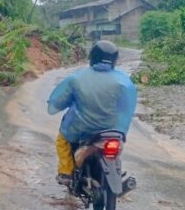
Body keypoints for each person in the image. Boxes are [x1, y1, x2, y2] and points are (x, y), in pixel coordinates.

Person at [47, 40, 138, 185]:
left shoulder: (76, 78)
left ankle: (66, 173)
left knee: (62, 141)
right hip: (111, 130)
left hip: (81, 130)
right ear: (114, 60)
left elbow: (58, 101)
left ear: (92, 57)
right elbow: (127, 107)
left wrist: (57, 105)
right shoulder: (123, 81)